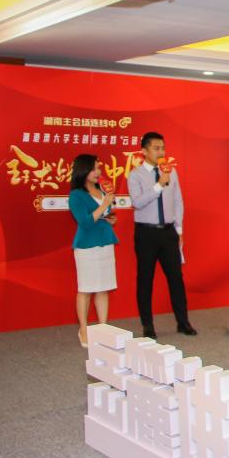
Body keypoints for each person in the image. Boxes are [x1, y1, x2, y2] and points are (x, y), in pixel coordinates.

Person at [128, 131, 196, 339]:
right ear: (144, 151)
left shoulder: (171, 172)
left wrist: (179, 229)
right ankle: (148, 325)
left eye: (163, 148)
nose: (161, 152)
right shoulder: (136, 175)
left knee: (176, 278)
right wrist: (159, 185)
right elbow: (137, 202)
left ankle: (183, 322)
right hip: (146, 233)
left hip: (168, 232)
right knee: (145, 279)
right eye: (156, 148)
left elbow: (178, 201)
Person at [68, 154, 118, 348]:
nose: (98, 172)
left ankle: (103, 329)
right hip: (87, 247)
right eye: (94, 168)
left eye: (99, 168)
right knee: (86, 289)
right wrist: (104, 205)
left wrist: (110, 218)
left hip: (105, 242)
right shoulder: (76, 195)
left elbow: (103, 216)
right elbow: (85, 222)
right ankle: (83, 329)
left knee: (103, 288)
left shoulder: (101, 190)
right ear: (83, 170)